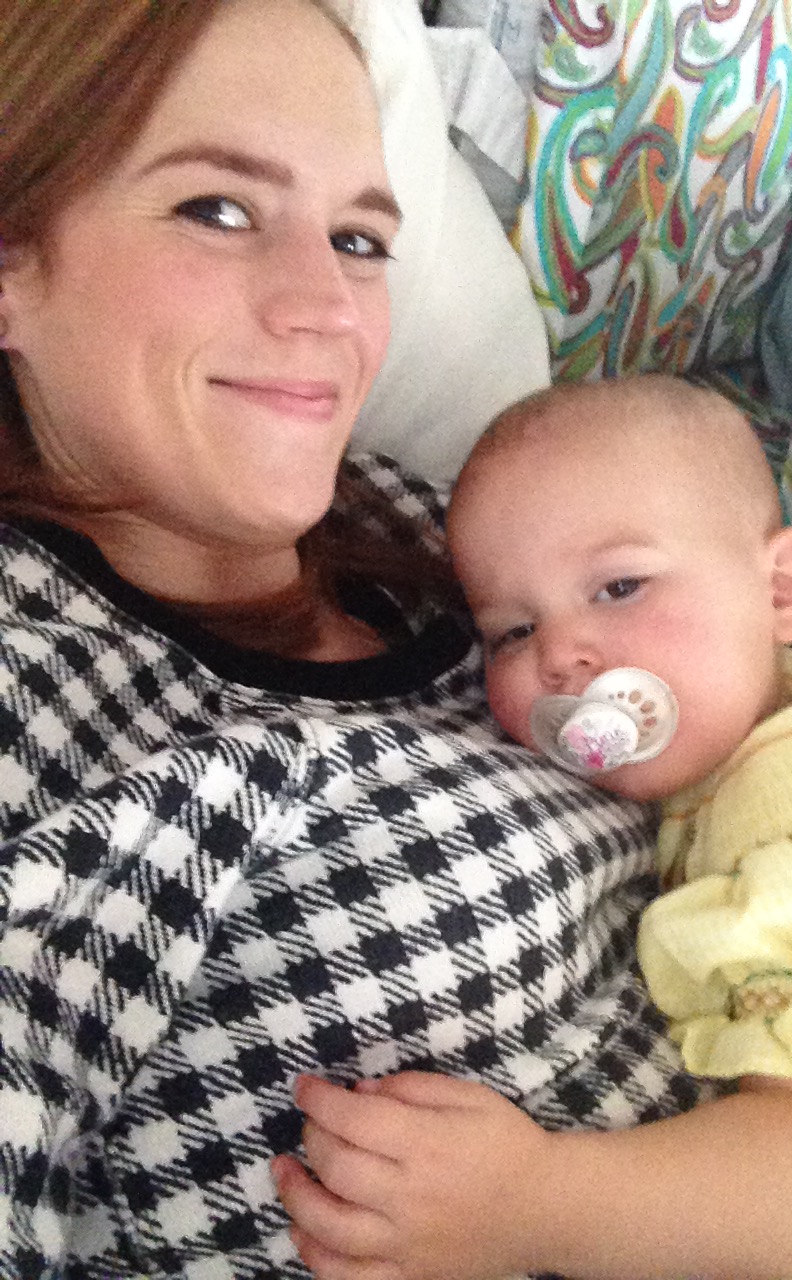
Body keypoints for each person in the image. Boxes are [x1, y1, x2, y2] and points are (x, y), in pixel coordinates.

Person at [0, 6, 709, 1277]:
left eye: (361, 239)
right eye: (218, 209)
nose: (329, 305)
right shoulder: (32, 682)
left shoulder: (437, 524)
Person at [276, 376, 792, 1280]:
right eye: (513, 631)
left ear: (783, 592)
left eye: (620, 586)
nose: (561, 654)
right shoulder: (781, 711)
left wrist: (529, 1203)